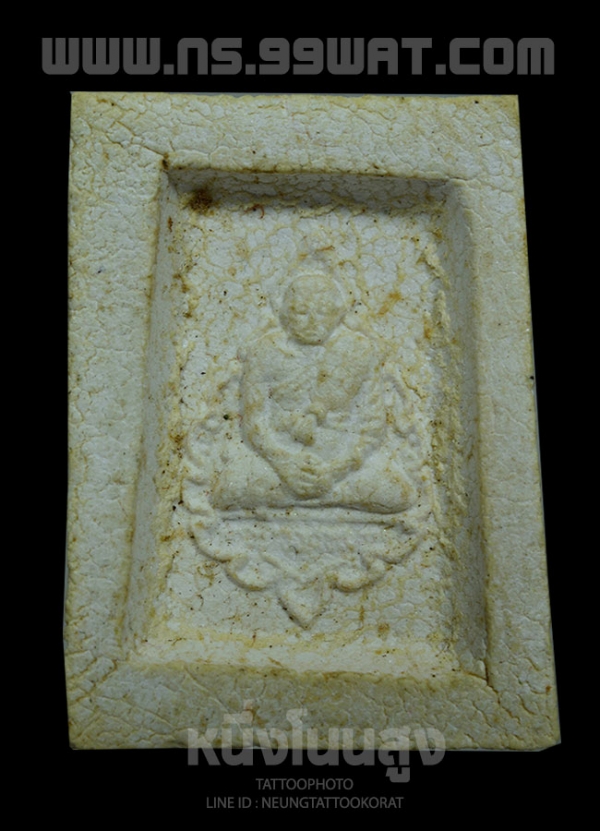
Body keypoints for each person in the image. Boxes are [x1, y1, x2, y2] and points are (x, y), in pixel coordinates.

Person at [212, 273, 415, 514]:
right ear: (284, 313)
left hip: (341, 464)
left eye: (322, 311)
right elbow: (255, 424)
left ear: (337, 314)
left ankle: (314, 493)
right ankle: (323, 496)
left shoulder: (358, 351)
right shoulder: (264, 351)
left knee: (398, 493)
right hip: (277, 463)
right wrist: (285, 464)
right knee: (229, 487)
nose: (312, 321)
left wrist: (335, 471)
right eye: (301, 312)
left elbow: (372, 426)